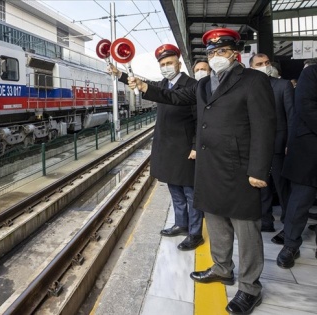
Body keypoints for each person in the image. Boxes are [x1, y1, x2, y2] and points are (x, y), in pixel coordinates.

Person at [128, 28, 276, 315]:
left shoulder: (253, 80)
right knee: (216, 221)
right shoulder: (203, 84)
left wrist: (259, 169)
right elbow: (174, 97)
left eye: (221, 51)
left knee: (246, 229)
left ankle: (249, 288)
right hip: (209, 165)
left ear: (235, 52)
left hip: (240, 167)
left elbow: (264, 127)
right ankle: (222, 268)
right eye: (211, 52)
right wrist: (144, 86)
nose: (216, 57)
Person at [111, 44, 203, 250]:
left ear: (179, 64)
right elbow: (145, 85)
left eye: (169, 63)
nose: (166, 67)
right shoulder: (163, 83)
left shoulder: (191, 85)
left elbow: (199, 119)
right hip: (166, 147)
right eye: (162, 64)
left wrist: (196, 145)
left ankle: (195, 233)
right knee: (174, 189)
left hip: (186, 147)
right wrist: (120, 74)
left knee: (190, 192)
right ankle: (181, 223)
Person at [249, 53, 294, 235]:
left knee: (282, 186)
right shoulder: (249, 88)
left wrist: (290, 143)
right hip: (256, 147)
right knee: (262, 185)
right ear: (252, 68)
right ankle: (266, 220)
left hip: (278, 145)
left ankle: (288, 221)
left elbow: (292, 117)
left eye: (267, 62)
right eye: (259, 64)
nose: (265, 66)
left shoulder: (283, 86)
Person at [278, 64, 317, 265]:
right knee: (300, 201)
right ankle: (290, 245)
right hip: (311, 151)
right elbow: (305, 106)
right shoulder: (312, 73)